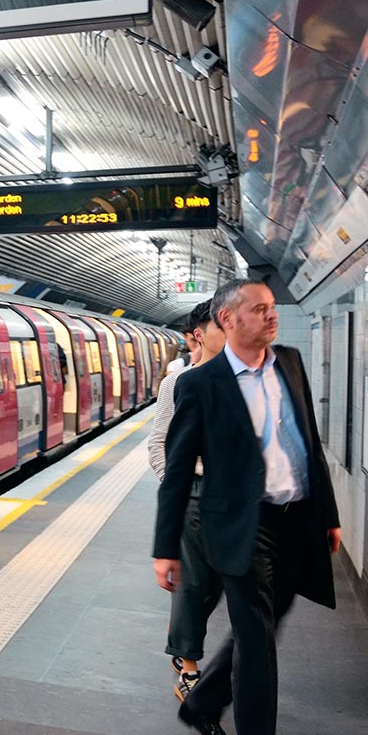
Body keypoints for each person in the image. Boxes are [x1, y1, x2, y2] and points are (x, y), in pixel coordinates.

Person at [153, 278, 341, 735]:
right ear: (228, 319)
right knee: (258, 648)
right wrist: (166, 548)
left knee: (272, 618)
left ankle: (202, 703)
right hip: (241, 527)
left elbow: (308, 443)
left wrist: (326, 513)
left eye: (272, 308)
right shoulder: (200, 384)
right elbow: (178, 468)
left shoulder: (291, 363)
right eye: (259, 309)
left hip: (295, 521)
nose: (271, 316)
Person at [147, 298, 226, 701]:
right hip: (195, 492)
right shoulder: (177, 382)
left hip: (240, 499)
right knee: (194, 584)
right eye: (222, 325)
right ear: (200, 334)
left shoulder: (249, 379)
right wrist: (175, 486)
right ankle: (190, 668)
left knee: (220, 586)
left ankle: (181, 635)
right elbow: (158, 443)